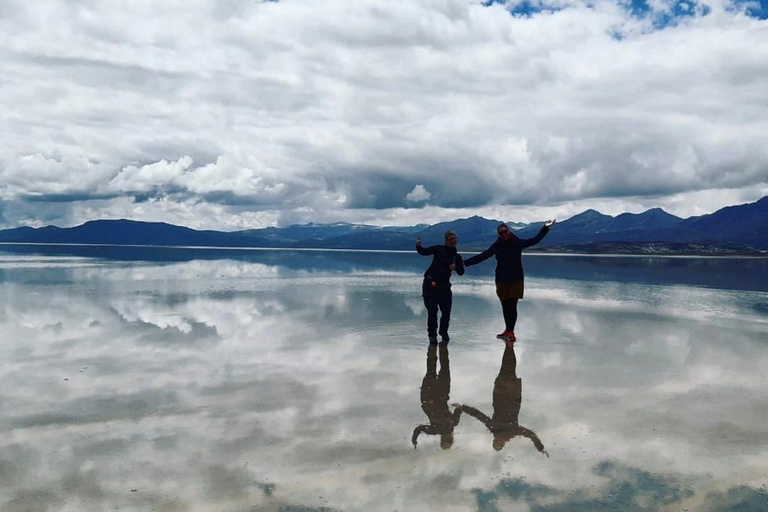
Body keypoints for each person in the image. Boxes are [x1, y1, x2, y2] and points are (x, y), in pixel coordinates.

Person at [463, 219, 555, 342]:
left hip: (516, 278)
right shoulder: (497, 245)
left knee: (512, 306)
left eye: (505, 232)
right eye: (501, 233)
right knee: (505, 306)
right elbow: (484, 255)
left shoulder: (517, 243)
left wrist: (546, 227)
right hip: (501, 279)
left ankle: (511, 332)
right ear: (499, 235)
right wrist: (464, 263)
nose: (503, 234)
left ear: (508, 231)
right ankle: (507, 330)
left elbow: (534, 240)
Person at [456, 343, 547, 454]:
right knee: (511, 370)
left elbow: (479, 415)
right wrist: (540, 447)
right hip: (513, 396)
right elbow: (530, 434)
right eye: (499, 443)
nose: (497, 440)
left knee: (504, 369)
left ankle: (509, 347)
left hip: (499, 395)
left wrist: (463, 408)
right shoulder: (513, 432)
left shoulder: (493, 428)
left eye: (495, 442)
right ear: (503, 443)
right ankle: (510, 347)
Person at [415, 230, 465, 344]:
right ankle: (432, 335)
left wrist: (455, 267)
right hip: (430, 283)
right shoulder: (439, 249)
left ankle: (443, 332)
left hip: (444, 287)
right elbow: (423, 252)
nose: (453, 241)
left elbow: (461, 272)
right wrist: (418, 245)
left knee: (446, 312)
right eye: (450, 239)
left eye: (454, 239)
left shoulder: (457, 257)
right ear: (446, 241)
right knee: (432, 312)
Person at [412, 343, 462, 449]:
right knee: (432, 368)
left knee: (443, 367)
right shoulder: (435, 430)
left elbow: (458, 409)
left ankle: (441, 345)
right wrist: (414, 439)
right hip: (431, 397)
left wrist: (457, 407)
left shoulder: (453, 424)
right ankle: (434, 345)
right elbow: (419, 429)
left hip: (439, 395)